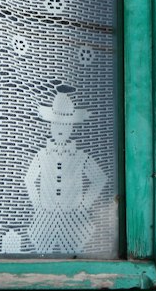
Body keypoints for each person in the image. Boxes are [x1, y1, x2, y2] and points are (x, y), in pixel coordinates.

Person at [24, 84, 107, 254]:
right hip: (45, 217)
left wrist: (84, 204)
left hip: (72, 217)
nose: (61, 129)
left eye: (66, 125)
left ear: (71, 128)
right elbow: (29, 179)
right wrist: (37, 204)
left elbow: (99, 179)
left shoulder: (80, 157)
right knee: (40, 253)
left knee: (73, 254)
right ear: (50, 127)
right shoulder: (42, 155)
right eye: (56, 125)